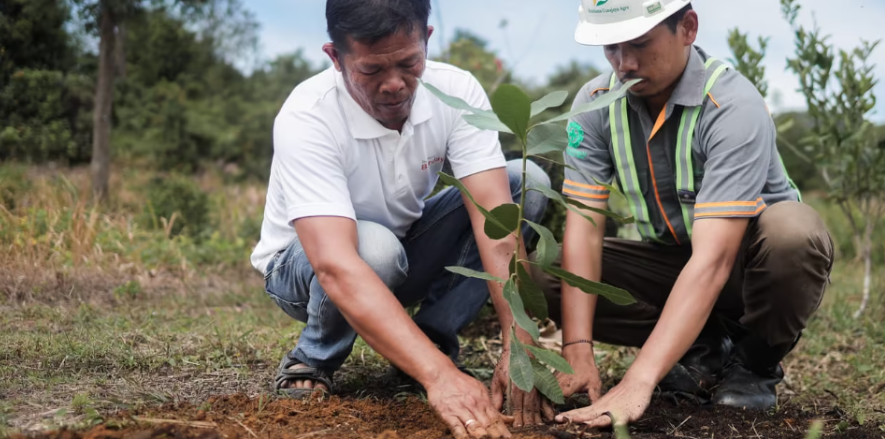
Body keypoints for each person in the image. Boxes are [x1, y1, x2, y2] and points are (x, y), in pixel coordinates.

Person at [249, 0, 554, 436]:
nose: (394, 84)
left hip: (403, 252)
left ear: (426, 39)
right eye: (371, 71)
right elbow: (334, 265)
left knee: (521, 185)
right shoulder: (308, 116)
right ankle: (315, 356)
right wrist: (441, 379)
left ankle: (430, 338)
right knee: (372, 247)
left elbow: (498, 226)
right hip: (304, 271)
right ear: (336, 57)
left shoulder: (456, 91)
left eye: (410, 63)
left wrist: (518, 343)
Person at [530, 0, 836, 428]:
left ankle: (753, 362)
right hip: (671, 260)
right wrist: (577, 349)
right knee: (546, 269)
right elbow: (585, 227)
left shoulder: (731, 106)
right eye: (611, 48)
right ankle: (702, 345)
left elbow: (713, 261)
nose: (625, 63)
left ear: (688, 27)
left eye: (639, 43)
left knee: (794, 233)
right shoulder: (596, 104)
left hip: (744, 268)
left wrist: (639, 381)